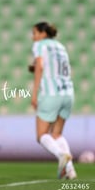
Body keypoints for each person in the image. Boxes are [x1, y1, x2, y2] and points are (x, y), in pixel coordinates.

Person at [29, 22, 77, 180]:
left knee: (41, 135)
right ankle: (70, 171)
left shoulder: (40, 45)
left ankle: (62, 155)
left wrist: (34, 93)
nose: (33, 37)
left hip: (51, 93)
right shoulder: (60, 46)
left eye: (35, 33)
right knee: (56, 134)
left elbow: (40, 66)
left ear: (43, 33)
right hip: (68, 92)